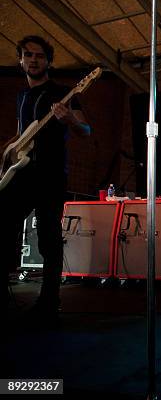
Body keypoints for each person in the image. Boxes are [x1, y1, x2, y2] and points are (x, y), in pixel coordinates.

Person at [1, 36, 90, 322]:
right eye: (28, 55)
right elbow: (22, 132)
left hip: (50, 175)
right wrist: (8, 150)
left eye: (40, 55)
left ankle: (49, 302)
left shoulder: (64, 93)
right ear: (21, 60)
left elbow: (85, 130)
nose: (34, 60)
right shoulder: (22, 96)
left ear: (49, 61)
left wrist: (69, 120)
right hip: (22, 173)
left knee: (49, 239)